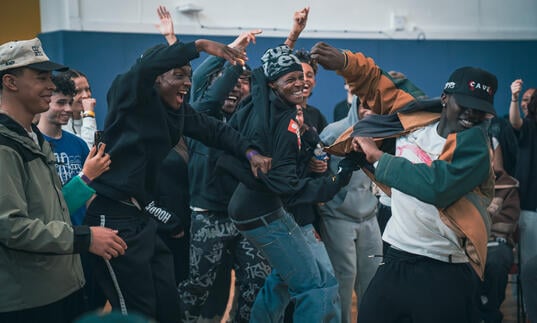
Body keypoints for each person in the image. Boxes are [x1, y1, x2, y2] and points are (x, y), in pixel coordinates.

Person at [83, 31, 270, 322]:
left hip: (141, 217)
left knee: (168, 307)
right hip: (112, 216)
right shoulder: (129, 98)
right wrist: (200, 45)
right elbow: (143, 68)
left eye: (189, 75)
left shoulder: (177, 112)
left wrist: (250, 153)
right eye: (179, 75)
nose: (187, 83)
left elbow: (216, 131)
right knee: (135, 312)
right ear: (157, 78)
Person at [311, 42, 497, 323]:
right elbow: (376, 82)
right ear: (446, 98)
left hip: (443, 269)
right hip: (396, 257)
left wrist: (378, 159)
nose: (472, 115)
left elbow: (437, 186)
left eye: (480, 110)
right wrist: (344, 62)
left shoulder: (476, 147)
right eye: (466, 105)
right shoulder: (415, 116)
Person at [218, 36, 364, 321]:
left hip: (257, 208)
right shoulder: (283, 124)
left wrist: (309, 139)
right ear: (273, 84)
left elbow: (266, 70)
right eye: (292, 79)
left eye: (304, 76)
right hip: (266, 212)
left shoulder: (264, 104)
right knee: (318, 287)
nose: (301, 83)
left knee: (285, 280)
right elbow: (292, 189)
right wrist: (343, 174)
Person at [0, 37, 126, 323]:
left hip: (59, 287)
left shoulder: (32, 138)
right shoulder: (5, 145)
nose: (50, 86)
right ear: (10, 82)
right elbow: (10, 227)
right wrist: (85, 237)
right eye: (41, 77)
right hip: (27, 301)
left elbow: (54, 208)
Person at [179, 28, 271, 323]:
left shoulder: (248, 120)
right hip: (207, 215)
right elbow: (201, 80)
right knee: (197, 286)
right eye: (228, 84)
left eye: (241, 83)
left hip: (246, 216)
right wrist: (233, 56)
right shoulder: (200, 116)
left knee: (254, 285)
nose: (233, 89)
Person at [318, 96, 383, 323]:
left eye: (375, 105)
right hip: (337, 218)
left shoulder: (386, 132)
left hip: (369, 217)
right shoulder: (334, 132)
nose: (369, 110)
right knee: (343, 282)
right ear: (356, 104)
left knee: (373, 280)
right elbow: (317, 174)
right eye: (365, 105)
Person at [37, 73, 91, 225]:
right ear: (45, 101)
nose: (68, 108)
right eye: (61, 103)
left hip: (82, 231)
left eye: (69, 102)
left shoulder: (78, 144)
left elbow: (90, 192)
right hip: (51, 229)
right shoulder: (33, 143)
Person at [479, 145, 520, 323]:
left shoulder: (508, 186)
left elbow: (508, 223)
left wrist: (479, 218)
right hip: (468, 245)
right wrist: (490, 213)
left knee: (495, 263)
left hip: (498, 243)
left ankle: (490, 313)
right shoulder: (464, 182)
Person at [509, 87, 537, 322]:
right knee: (530, 269)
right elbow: (515, 122)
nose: (526, 104)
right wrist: (515, 98)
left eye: (529, 100)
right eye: (524, 100)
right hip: (531, 209)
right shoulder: (529, 126)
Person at [60, 69, 97, 148]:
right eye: (78, 91)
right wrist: (89, 115)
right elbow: (87, 151)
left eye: (87, 89)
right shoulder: (61, 123)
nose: (85, 95)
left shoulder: (86, 118)